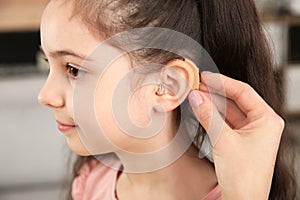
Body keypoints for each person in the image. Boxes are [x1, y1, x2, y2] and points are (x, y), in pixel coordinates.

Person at [38, 0, 298, 199]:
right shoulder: (92, 183)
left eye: (74, 69)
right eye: (47, 62)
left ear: (167, 85)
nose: (45, 96)